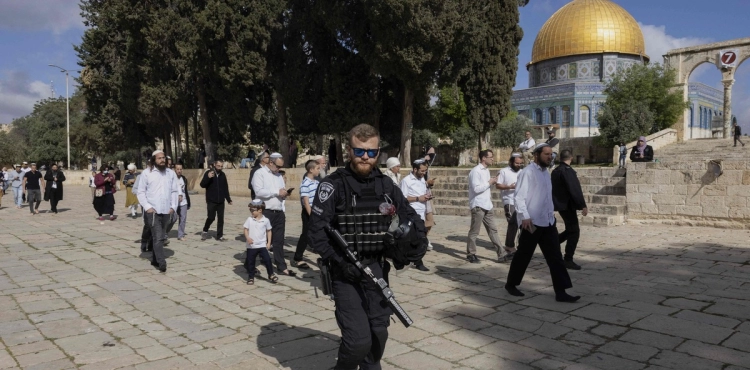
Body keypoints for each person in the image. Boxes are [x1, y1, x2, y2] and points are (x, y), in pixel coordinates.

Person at [307, 123, 426, 370]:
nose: (365, 157)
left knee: (378, 335)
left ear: (378, 152)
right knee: (358, 341)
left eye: (371, 152)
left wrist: (417, 242)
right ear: (349, 150)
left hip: (377, 270)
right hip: (345, 272)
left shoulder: (386, 185)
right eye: (359, 151)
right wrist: (340, 262)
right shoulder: (333, 185)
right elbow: (316, 234)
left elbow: (409, 215)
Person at [505, 143, 580, 302]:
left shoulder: (547, 174)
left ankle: (561, 292)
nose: (550, 157)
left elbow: (546, 197)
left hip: (548, 222)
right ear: (536, 155)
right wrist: (524, 216)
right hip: (531, 223)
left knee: (556, 257)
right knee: (523, 255)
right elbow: (519, 197)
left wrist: (551, 214)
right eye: (546, 154)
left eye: (551, 154)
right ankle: (511, 284)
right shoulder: (528, 173)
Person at [252, 153, 297, 276]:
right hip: (265, 211)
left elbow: (280, 192)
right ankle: (250, 264)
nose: (279, 169)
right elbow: (259, 191)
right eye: (278, 166)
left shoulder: (278, 176)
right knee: (260, 239)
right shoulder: (259, 173)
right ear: (271, 163)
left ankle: (281, 266)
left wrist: (284, 194)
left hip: (278, 212)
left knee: (279, 240)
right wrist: (277, 192)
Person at [136, 150, 180, 272]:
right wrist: (147, 207)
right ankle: (162, 262)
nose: (162, 160)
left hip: (166, 210)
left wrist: (173, 207)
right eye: (159, 158)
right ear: (154, 160)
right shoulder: (146, 173)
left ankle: (155, 259)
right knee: (158, 236)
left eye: (163, 158)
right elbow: (141, 192)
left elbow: (174, 191)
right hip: (153, 211)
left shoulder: (170, 173)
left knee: (159, 236)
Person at [466, 150, 510, 263]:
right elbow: (476, 189)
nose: (492, 159)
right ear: (483, 158)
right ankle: (471, 254)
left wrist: (492, 182)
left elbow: (485, 186)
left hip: (487, 204)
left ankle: (501, 254)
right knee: (474, 231)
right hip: (478, 205)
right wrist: (490, 183)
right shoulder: (476, 171)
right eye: (490, 157)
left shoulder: (486, 170)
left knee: (493, 230)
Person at [552, 150, 588, 271]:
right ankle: (568, 258)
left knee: (571, 230)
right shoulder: (567, 171)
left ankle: (553, 243)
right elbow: (574, 189)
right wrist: (582, 204)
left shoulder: (555, 171)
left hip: (560, 205)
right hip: (567, 205)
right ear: (571, 158)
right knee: (575, 231)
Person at [399, 159, 431, 271]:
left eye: (425, 171)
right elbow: (402, 199)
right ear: (415, 169)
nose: (424, 173)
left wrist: (426, 196)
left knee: (420, 237)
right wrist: (418, 198)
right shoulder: (406, 181)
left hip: (421, 211)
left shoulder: (422, 179)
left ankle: (415, 258)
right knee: (417, 238)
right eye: (422, 171)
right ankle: (417, 261)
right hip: (411, 213)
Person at [293, 160, 320, 270]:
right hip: (309, 212)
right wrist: (311, 215)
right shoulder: (305, 184)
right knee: (305, 235)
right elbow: (306, 201)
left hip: (317, 212)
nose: (319, 170)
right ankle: (298, 258)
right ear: (311, 169)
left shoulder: (317, 183)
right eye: (318, 168)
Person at [496, 153, 523, 260]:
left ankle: (522, 245)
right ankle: (509, 246)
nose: (518, 165)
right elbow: (498, 185)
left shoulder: (522, 172)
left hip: (520, 201)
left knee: (522, 224)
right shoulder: (504, 171)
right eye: (516, 163)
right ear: (511, 162)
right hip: (509, 200)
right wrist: (509, 186)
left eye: (520, 163)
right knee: (513, 222)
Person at [243, 200, 277, 285]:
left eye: (252, 210)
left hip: (262, 245)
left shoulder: (266, 220)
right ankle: (251, 277)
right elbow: (245, 229)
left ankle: (271, 274)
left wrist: (269, 243)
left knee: (267, 259)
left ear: (260, 210)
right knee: (251, 261)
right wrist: (247, 238)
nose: (251, 212)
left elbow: (269, 231)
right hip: (252, 246)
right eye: (250, 210)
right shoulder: (249, 219)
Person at [200, 160, 233, 241]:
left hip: (221, 201)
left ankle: (219, 236)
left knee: (221, 219)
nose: (220, 168)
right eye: (218, 166)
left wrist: (228, 199)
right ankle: (205, 230)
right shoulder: (209, 173)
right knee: (211, 217)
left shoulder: (222, 175)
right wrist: (208, 177)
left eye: (221, 166)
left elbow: (225, 188)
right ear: (214, 165)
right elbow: (202, 185)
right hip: (211, 200)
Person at [174, 164, 191, 241]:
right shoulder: (172, 178)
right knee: (172, 219)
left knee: (183, 218)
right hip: (174, 202)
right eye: (178, 169)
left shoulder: (183, 178)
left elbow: (186, 191)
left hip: (183, 201)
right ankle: (164, 234)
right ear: (175, 169)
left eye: (180, 169)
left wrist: (188, 201)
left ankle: (180, 235)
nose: (179, 171)